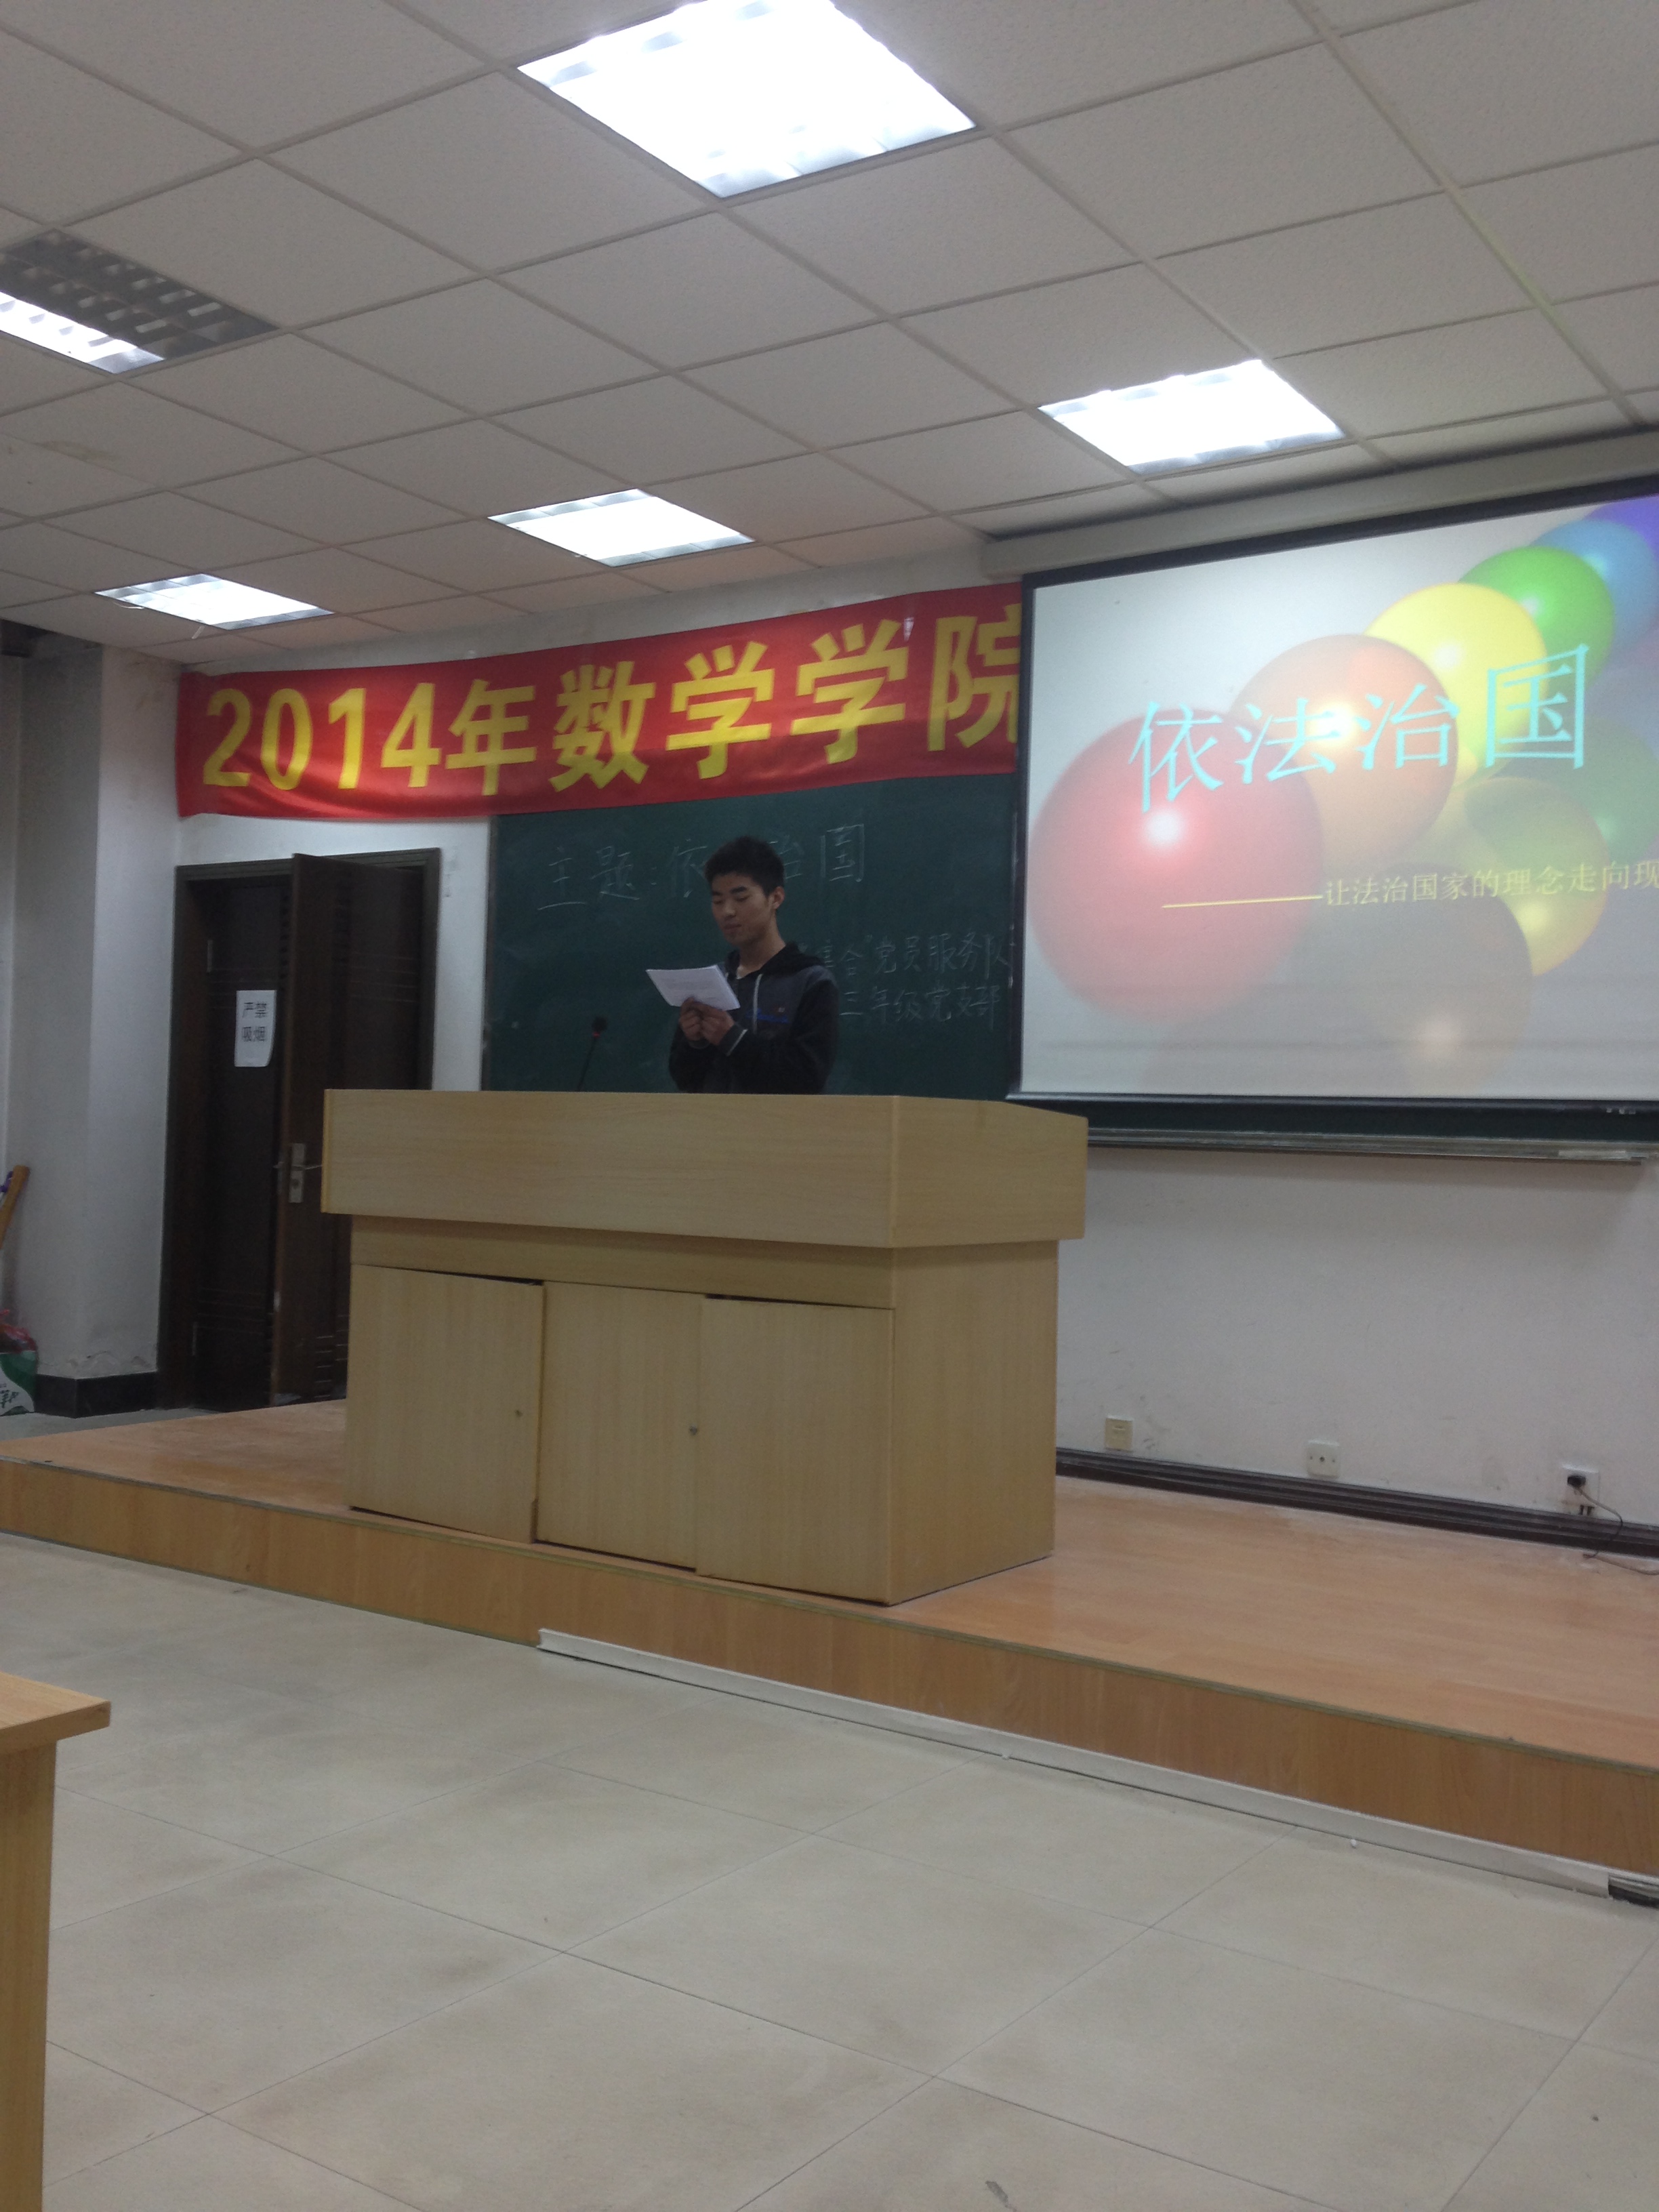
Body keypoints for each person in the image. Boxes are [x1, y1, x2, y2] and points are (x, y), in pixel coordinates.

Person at [669, 836, 838, 1093]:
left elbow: (807, 1078)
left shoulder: (811, 982)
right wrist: (695, 1043)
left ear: (776, 898)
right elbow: (685, 1081)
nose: (727, 912)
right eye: (718, 901)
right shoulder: (712, 981)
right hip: (710, 1119)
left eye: (741, 898)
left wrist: (732, 1039)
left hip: (778, 1120)